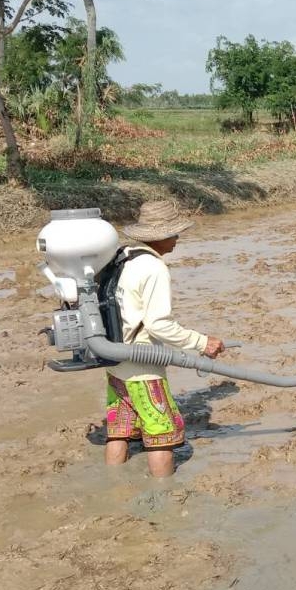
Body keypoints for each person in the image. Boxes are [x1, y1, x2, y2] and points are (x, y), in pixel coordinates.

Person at [104, 200, 225, 477]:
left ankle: (113, 486)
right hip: (142, 364)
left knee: (119, 430)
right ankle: (163, 495)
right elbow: (159, 325)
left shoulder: (123, 256)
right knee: (162, 433)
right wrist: (202, 342)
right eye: (173, 233)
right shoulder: (153, 268)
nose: (177, 239)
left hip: (114, 358)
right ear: (159, 236)